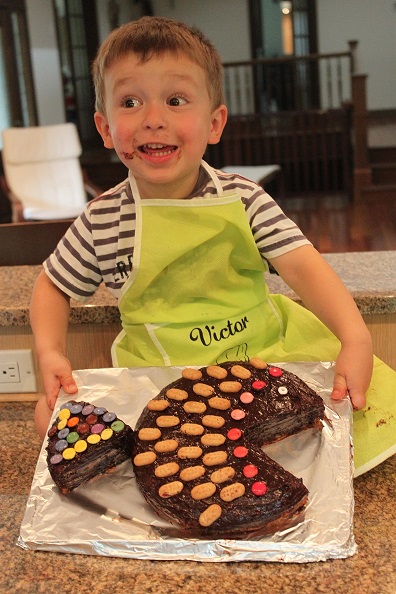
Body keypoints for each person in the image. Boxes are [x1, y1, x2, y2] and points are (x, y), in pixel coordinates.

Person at [31, 16, 375, 445]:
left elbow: (304, 267)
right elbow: (53, 286)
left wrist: (355, 337)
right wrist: (50, 353)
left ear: (214, 124)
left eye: (175, 100)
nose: (153, 119)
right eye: (131, 103)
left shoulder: (244, 198)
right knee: (48, 417)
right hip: (160, 379)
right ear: (105, 129)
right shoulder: (101, 220)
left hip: (262, 359)